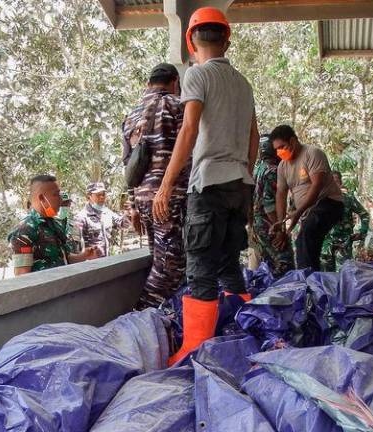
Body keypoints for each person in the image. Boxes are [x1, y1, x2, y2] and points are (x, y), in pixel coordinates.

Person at [152, 7, 259, 365]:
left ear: (190, 41)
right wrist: (246, 173)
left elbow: (190, 129)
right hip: (239, 185)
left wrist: (165, 186)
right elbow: (254, 137)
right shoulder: (244, 83)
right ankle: (245, 333)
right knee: (229, 262)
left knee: (200, 266)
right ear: (227, 39)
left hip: (210, 184)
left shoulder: (197, 75)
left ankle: (194, 352)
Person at [123, 62, 187, 309]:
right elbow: (187, 153)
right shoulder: (177, 106)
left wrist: (133, 206)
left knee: (160, 261)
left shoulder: (132, 115)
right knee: (170, 267)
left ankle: (164, 323)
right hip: (168, 199)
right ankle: (139, 316)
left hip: (143, 200)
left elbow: (129, 166)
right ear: (174, 83)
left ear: (148, 84)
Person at [270, 125, 344, 271]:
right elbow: (281, 195)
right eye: (277, 149)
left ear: (292, 141)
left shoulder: (312, 153)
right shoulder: (282, 167)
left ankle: (308, 281)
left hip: (329, 203)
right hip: (308, 211)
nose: (280, 152)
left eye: (282, 146)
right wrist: (281, 227)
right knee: (303, 242)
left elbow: (316, 186)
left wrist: (298, 213)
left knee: (307, 234)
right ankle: (311, 280)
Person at [9, 175, 97, 275]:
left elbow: (64, 258)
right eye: (56, 195)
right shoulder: (25, 230)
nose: (60, 200)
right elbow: (22, 276)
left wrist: (84, 256)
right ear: (42, 198)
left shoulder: (54, 225)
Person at [253, 134, 294, 277]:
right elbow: (269, 204)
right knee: (285, 265)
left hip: (258, 223)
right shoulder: (273, 171)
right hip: (269, 224)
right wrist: (279, 230)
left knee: (269, 266)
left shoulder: (257, 169)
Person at [320, 171, 370, 271]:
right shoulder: (321, 200)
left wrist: (362, 232)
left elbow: (364, 215)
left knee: (344, 274)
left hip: (344, 243)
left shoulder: (348, 199)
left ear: (341, 183)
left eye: (336, 182)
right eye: (330, 182)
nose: (333, 185)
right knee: (325, 277)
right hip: (326, 243)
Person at [77, 182, 128, 258]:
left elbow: (123, 224)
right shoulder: (81, 217)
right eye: (98, 195)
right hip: (91, 264)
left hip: (107, 260)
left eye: (103, 194)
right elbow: (78, 247)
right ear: (89, 196)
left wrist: (128, 212)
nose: (102, 197)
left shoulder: (107, 213)